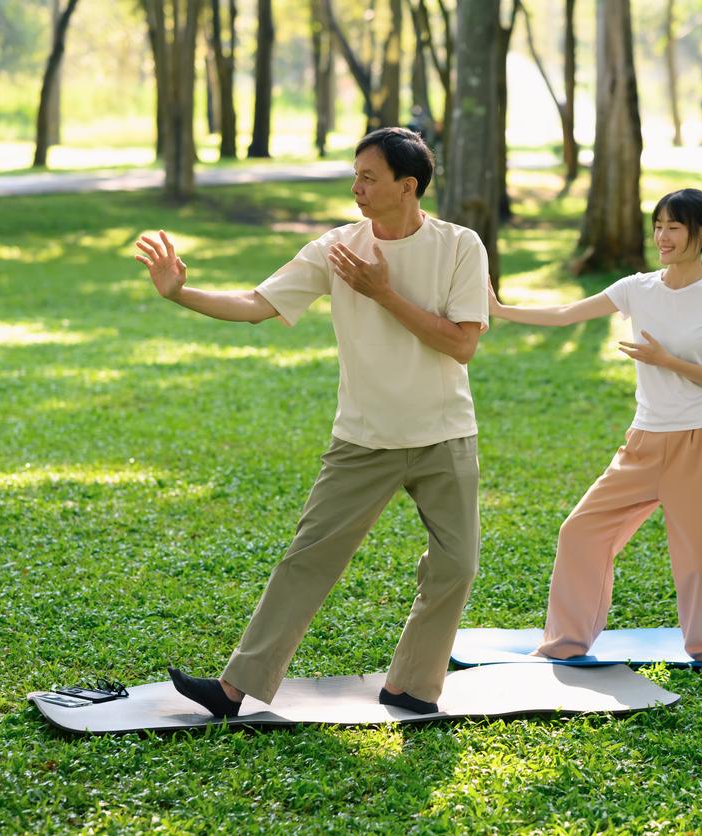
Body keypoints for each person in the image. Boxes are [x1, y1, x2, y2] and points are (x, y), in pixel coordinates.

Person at [135, 127, 489, 717]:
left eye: (369, 178)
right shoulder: (336, 248)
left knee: (457, 566)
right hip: (364, 439)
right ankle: (234, 689)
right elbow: (256, 305)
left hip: (445, 434)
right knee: (308, 560)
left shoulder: (460, 247)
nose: (356, 188)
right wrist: (180, 294)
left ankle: (411, 686)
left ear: (408, 186)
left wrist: (382, 293)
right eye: (355, 176)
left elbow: (461, 345)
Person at [487, 188, 702, 667]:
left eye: (673, 227)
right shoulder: (637, 288)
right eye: (658, 226)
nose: (662, 236)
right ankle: (565, 642)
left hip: (700, 443)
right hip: (643, 443)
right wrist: (501, 309)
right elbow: (566, 314)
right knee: (579, 532)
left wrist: (666, 361)